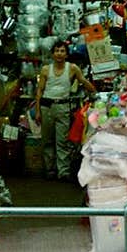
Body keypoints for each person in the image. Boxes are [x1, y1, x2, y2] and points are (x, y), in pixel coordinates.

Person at [35, 40, 96, 181]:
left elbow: (83, 81)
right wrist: (38, 111)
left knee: (62, 141)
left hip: (63, 107)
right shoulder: (45, 70)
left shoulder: (72, 68)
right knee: (47, 141)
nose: (59, 54)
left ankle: (63, 172)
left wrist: (95, 91)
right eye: (57, 51)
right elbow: (39, 91)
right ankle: (50, 170)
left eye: (62, 51)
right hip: (46, 107)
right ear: (52, 54)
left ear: (66, 54)